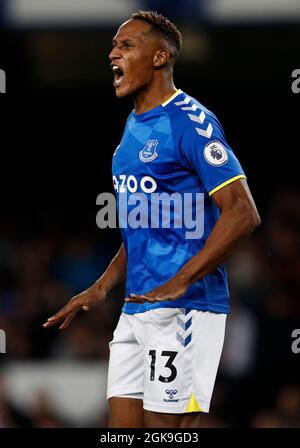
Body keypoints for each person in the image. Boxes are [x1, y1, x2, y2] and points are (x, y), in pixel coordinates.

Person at [43, 10, 261, 428]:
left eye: (125, 46)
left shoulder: (191, 122)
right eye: (113, 45)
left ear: (160, 57)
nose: (112, 54)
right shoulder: (132, 128)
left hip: (186, 308)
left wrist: (182, 279)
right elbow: (144, 226)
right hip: (136, 307)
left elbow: (243, 212)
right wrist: (102, 286)